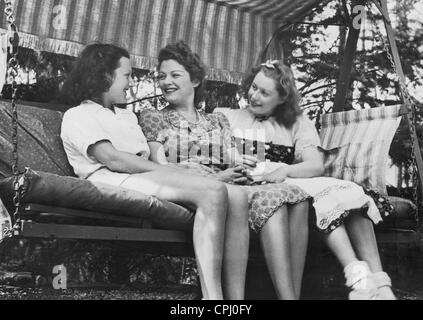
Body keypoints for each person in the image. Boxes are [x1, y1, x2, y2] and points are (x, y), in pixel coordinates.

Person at [59, 43, 249, 300]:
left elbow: (155, 159)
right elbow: (112, 159)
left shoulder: (125, 117)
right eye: (126, 75)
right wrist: (167, 172)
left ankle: (237, 300)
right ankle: (212, 298)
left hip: (142, 176)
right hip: (110, 179)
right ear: (105, 76)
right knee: (214, 192)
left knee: (236, 196)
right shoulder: (77, 115)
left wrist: (174, 172)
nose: (130, 82)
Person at [139, 41, 311, 300]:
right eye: (162, 76)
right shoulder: (154, 116)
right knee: (250, 197)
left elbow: (233, 159)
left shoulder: (216, 119)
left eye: (175, 75)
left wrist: (243, 165)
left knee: (295, 196)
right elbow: (160, 168)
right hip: (191, 186)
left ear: (195, 79)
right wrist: (217, 177)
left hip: (228, 182)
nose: (166, 82)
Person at [217, 59, 397, 300]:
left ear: (282, 98)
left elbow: (315, 165)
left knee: (347, 192)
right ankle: (359, 278)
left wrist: (285, 171)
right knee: (329, 197)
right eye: (253, 87)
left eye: (264, 92)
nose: (254, 96)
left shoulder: (297, 123)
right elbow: (206, 155)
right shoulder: (227, 117)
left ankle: (379, 285)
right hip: (262, 188)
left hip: (289, 181)